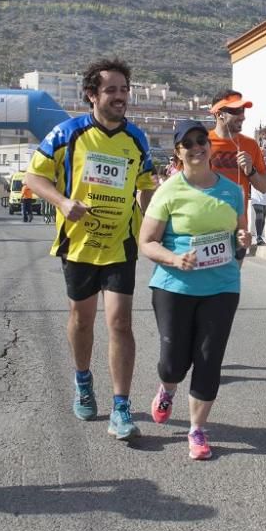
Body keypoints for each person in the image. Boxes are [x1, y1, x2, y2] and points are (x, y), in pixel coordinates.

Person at [25, 58, 156, 441]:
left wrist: (152, 225)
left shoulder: (137, 138)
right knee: (82, 321)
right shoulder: (67, 133)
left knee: (120, 323)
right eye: (111, 89)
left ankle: (121, 407)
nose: (120, 96)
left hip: (120, 242)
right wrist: (63, 203)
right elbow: (34, 176)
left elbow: (146, 183)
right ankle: (83, 380)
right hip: (79, 243)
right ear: (92, 95)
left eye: (124, 89)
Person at [139, 120, 250, 460]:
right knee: (174, 363)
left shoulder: (232, 191)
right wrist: (174, 258)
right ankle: (167, 388)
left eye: (201, 140)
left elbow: (240, 238)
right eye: (188, 143)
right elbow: (146, 242)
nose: (196, 146)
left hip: (222, 287)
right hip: (174, 285)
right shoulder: (169, 190)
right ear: (178, 152)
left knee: (208, 360)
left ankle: (197, 429)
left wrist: (244, 241)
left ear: (210, 146)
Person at [207, 89, 266, 233]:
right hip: (205, 227)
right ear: (219, 114)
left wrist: (251, 170)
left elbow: (264, 187)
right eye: (235, 111)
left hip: (237, 229)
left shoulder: (250, 145)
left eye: (242, 110)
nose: (242, 116)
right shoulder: (201, 142)